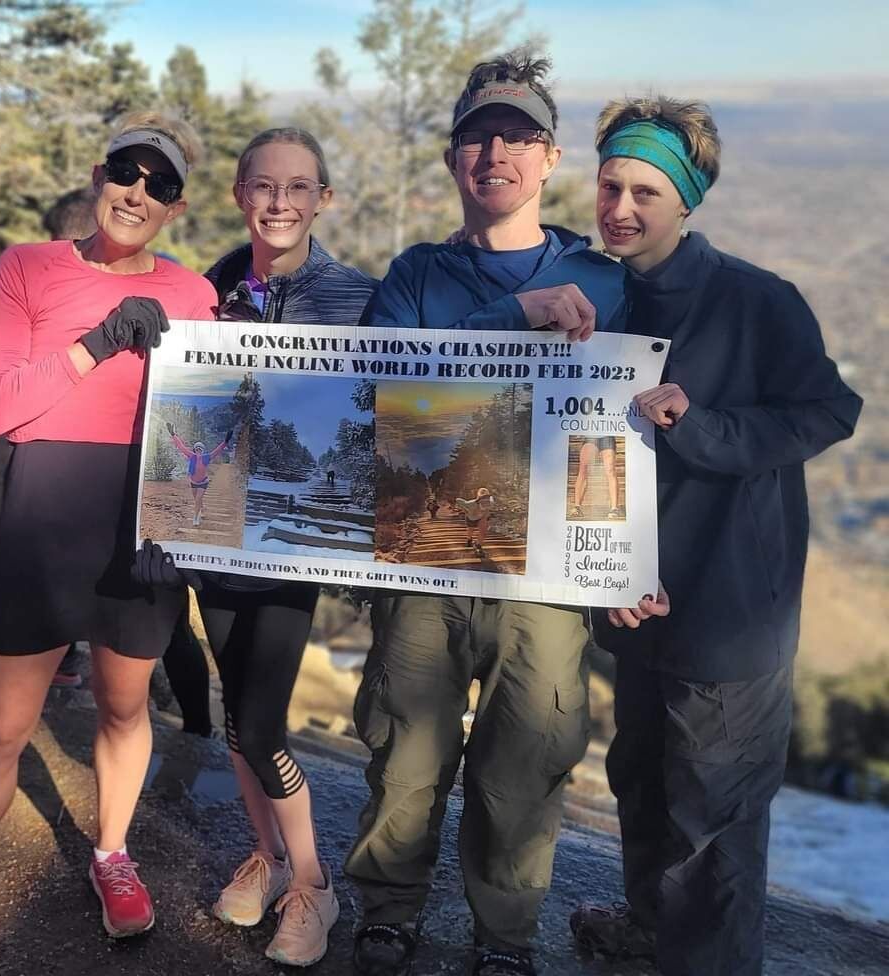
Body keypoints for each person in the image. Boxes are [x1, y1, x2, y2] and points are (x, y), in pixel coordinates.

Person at [345, 53, 627, 976]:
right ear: (452, 159)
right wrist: (514, 317)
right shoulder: (417, 276)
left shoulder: (609, 279)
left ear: (549, 160)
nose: (495, 152)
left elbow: (646, 413)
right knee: (404, 754)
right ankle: (388, 912)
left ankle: (504, 937)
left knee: (526, 763)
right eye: (477, 136)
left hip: (548, 573)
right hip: (426, 558)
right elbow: (380, 387)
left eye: (517, 137)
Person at [567, 96, 862, 976]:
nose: (620, 207)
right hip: (635, 599)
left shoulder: (758, 301)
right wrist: (601, 575)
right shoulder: (594, 301)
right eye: (610, 185)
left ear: (687, 199)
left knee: (715, 818)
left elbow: (827, 411)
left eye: (645, 192)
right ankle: (649, 928)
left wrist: (700, 426)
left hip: (730, 606)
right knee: (643, 781)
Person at [0, 112, 217, 976]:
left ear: (176, 206)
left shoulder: (195, 293)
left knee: (125, 708)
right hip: (46, 518)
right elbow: (2, 408)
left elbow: (207, 428)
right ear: (100, 175)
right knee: (1, 730)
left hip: (143, 523)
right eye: (126, 172)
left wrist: (188, 526)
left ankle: (110, 852)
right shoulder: (29, 266)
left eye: (159, 185)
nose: (138, 193)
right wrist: (98, 343)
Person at [139, 126, 376, 968]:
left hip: (293, 543)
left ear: (323, 199)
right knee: (240, 717)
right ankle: (269, 859)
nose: (280, 203)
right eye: (264, 187)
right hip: (214, 532)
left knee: (267, 720)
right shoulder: (207, 289)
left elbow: (394, 400)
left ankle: (314, 882)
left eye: (299, 187)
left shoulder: (358, 296)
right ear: (241, 195)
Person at [39, 187, 211, 734]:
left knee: (167, 612)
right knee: (160, 612)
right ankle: (197, 724)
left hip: (146, 473)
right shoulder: (77, 284)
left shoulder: (168, 285)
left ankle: (199, 725)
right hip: (118, 471)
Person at [167, 421, 232, 526]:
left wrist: (225, 441)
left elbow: (217, 450)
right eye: (197, 448)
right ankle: (201, 508)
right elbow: (181, 446)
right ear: (194, 449)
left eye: (200, 448)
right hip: (193, 482)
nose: (198, 450)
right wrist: (173, 434)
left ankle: (196, 518)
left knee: (198, 499)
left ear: (203, 450)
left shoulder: (207, 457)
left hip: (203, 482)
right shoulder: (191, 456)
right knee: (197, 499)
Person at [569, 436, 622, 519]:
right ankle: (577, 507)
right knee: (583, 467)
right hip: (591, 436)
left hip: (607, 436)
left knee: (610, 469)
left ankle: (614, 508)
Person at [454, 487, 495, 552]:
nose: (485, 503)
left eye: (487, 501)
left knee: (483, 532)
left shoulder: (491, 502)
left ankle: (478, 545)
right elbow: (458, 500)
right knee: (470, 530)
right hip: (471, 517)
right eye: (483, 501)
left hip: (482, 517)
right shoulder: (471, 504)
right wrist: (464, 510)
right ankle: (469, 539)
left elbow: (490, 509)